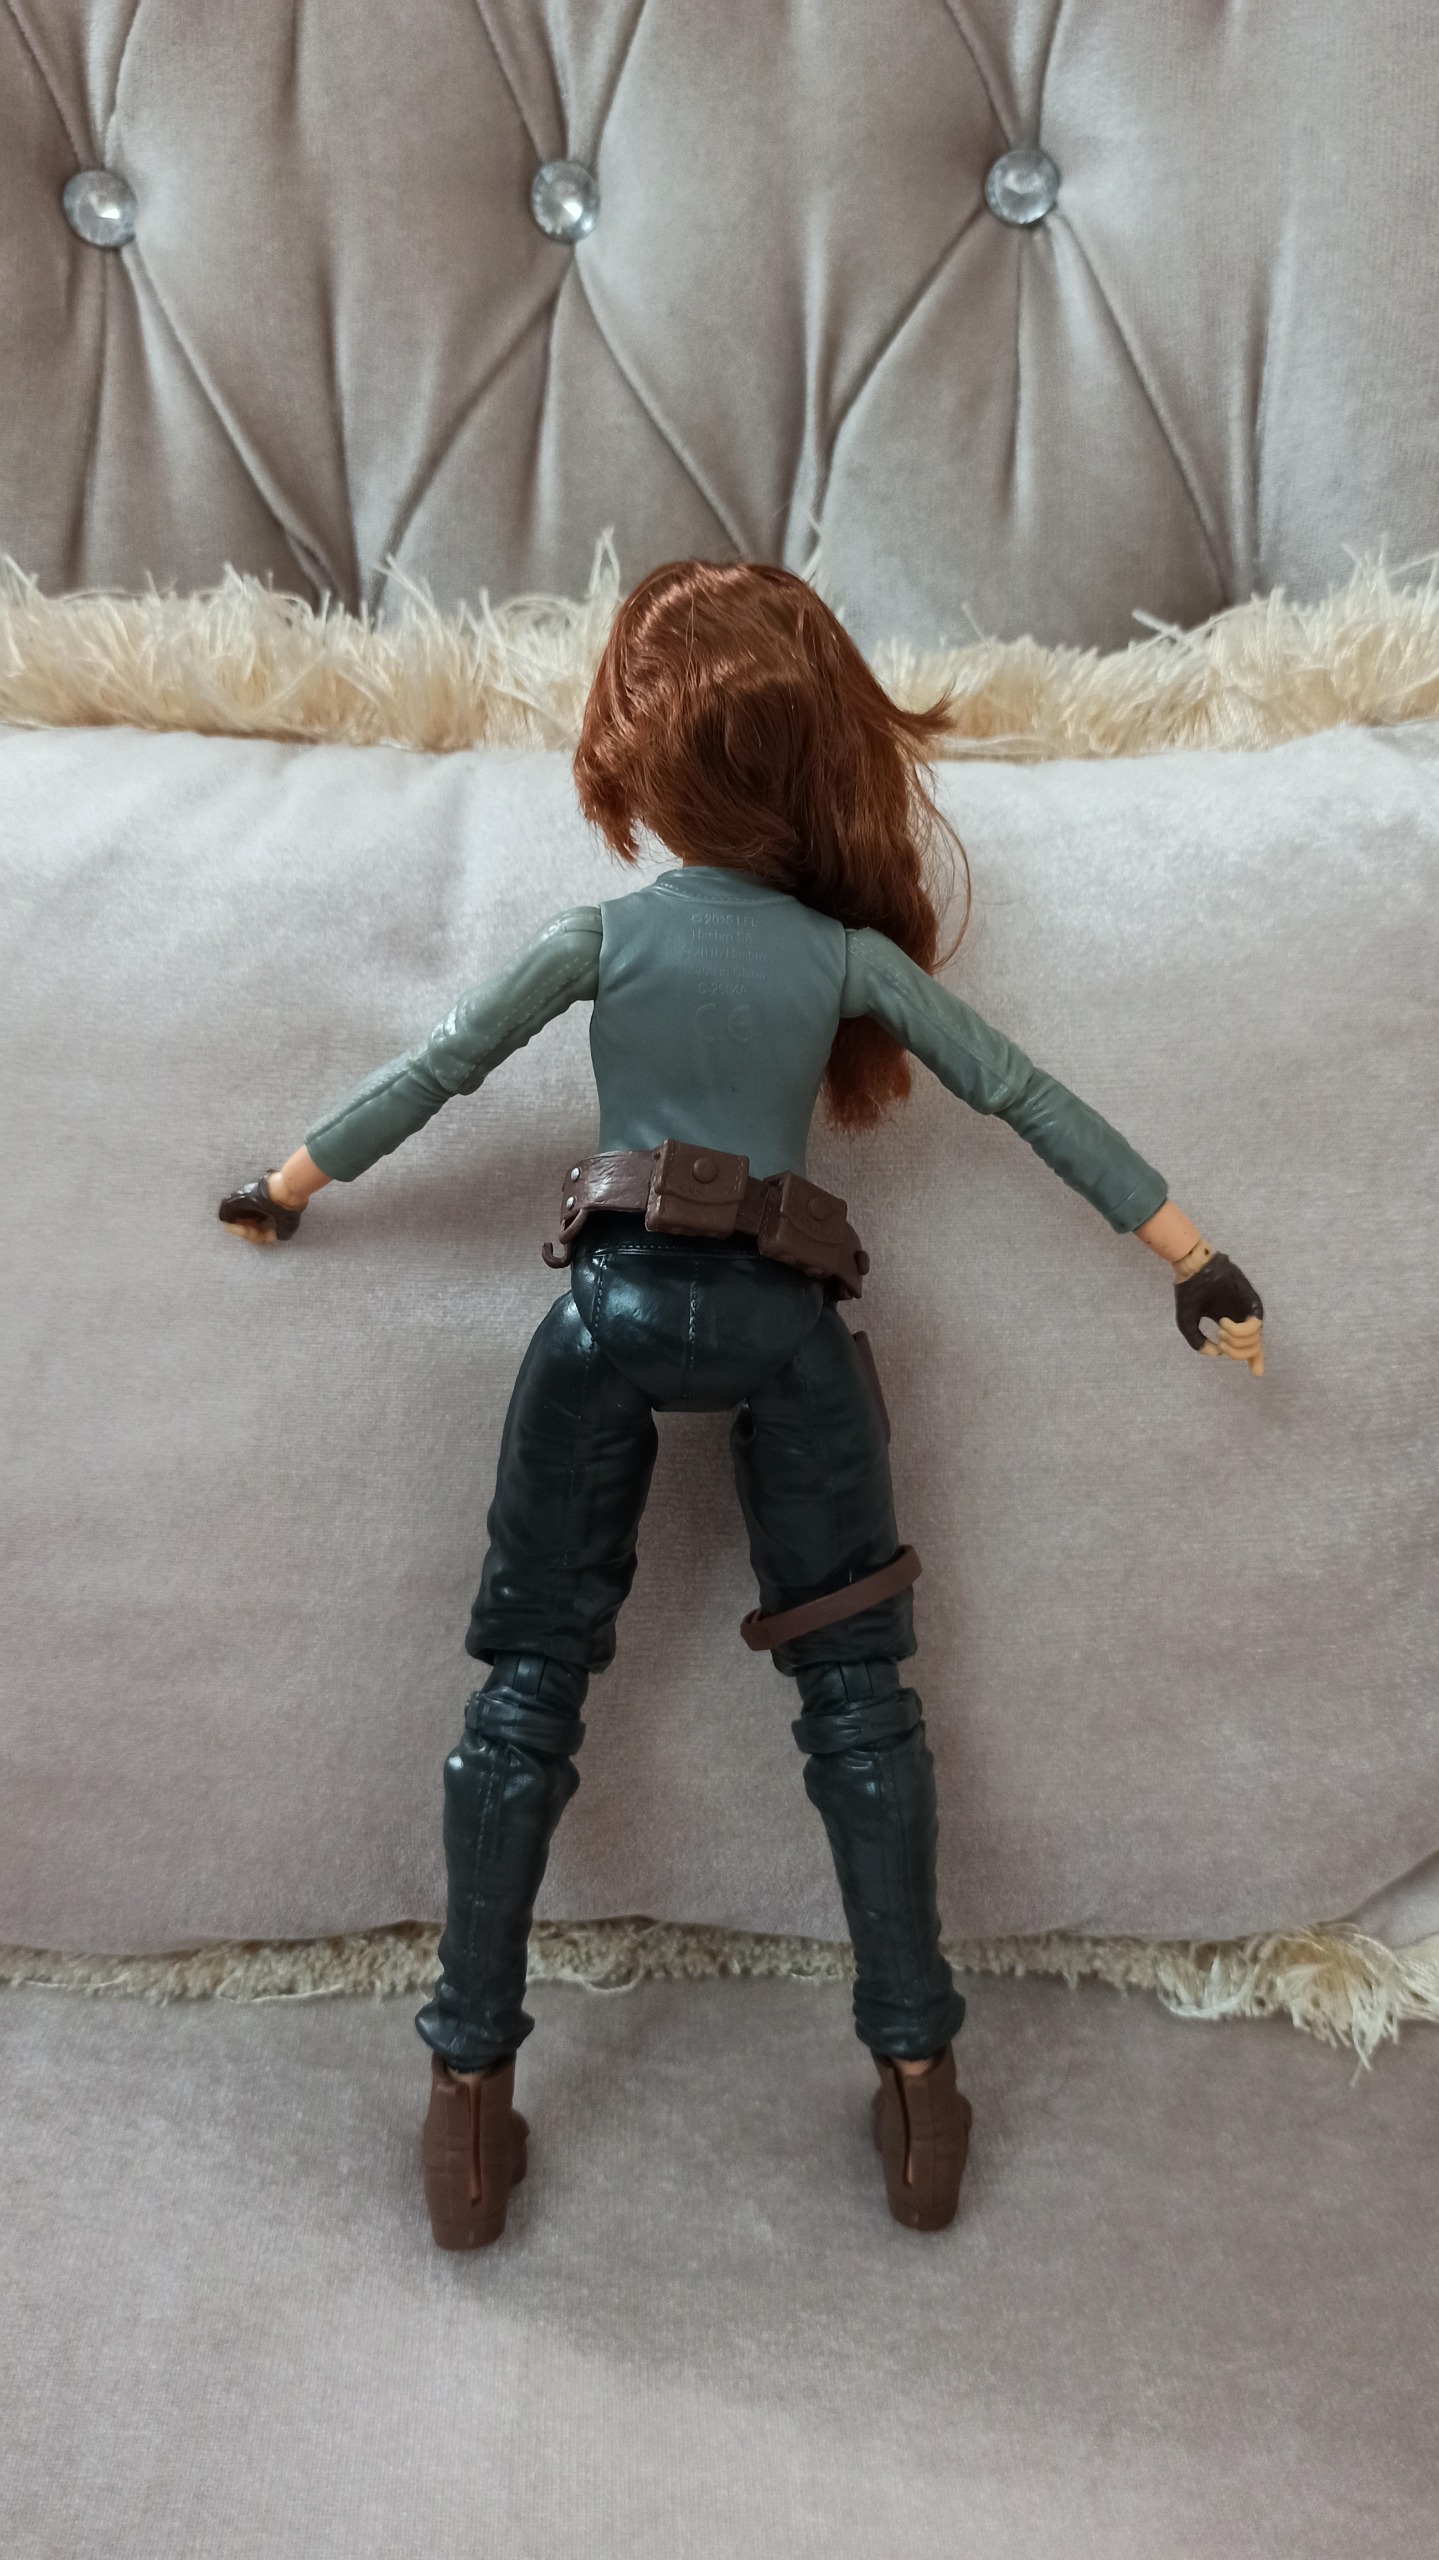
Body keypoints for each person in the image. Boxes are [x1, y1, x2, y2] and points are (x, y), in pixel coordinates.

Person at [220, 560, 1263, 2250]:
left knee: (526, 1694)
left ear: (638, 753)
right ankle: (921, 2089)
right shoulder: (843, 958)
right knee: (860, 1704)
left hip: (609, 1312)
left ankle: (465, 2107)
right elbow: (1024, 1096)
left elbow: (436, 1069)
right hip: (786, 1320)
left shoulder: (603, 938)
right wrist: (1191, 1255)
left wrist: (286, 1183)